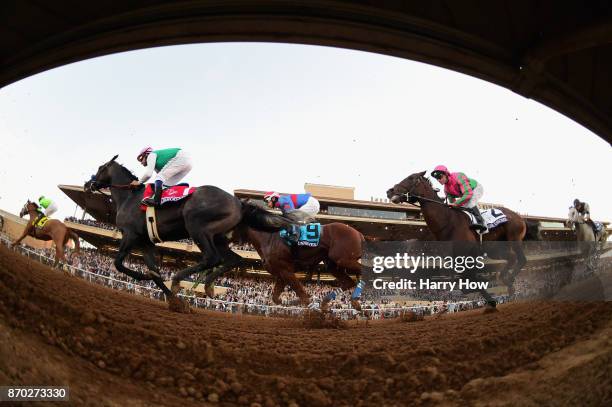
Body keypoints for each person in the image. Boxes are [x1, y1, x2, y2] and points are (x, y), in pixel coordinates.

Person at [430, 165, 486, 231]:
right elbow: (453, 204)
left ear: (446, 174)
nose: (439, 180)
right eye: (437, 178)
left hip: (476, 188)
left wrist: (456, 203)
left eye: (440, 176)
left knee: (470, 203)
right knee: (463, 208)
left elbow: (468, 194)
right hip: (466, 194)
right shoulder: (446, 190)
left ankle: (481, 223)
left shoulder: (459, 176)